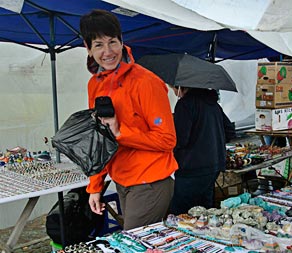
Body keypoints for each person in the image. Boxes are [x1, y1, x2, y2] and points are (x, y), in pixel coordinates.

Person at [79, 10, 178, 230]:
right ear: (87, 48)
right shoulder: (94, 84)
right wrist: (95, 186)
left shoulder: (146, 82)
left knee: (134, 250)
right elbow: (99, 141)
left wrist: (120, 133)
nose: (108, 52)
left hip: (150, 182)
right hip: (122, 181)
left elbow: (167, 140)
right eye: (98, 45)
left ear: (122, 42)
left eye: (112, 42)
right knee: (141, 249)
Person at [169, 87, 234, 215]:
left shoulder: (185, 104)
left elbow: (181, 140)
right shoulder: (213, 104)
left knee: (181, 215)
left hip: (191, 168)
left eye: (173, 89)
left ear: (180, 87)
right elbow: (230, 131)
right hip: (213, 166)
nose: (174, 92)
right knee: (206, 211)